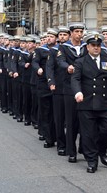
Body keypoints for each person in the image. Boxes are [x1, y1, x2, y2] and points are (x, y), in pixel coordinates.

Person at [71, 33, 107, 173]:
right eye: (93, 45)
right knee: (88, 134)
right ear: (87, 47)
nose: (96, 48)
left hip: (105, 103)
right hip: (87, 103)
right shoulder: (80, 62)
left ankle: (101, 150)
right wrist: (77, 92)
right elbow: (75, 79)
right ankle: (92, 161)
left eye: (98, 45)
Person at [57, 22, 88, 163]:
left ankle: (84, 148)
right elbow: (60, 61)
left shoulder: (86, 47)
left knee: (85, 120)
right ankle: (71, 151)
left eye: (81, 32)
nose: (79, 34)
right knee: (71, 122)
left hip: (84, 87)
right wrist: (67, 67)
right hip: (69, 88)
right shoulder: (64, 47)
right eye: (76, 31)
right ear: (71, 34)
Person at [46, 26, 70, 156]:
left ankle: (72, 145)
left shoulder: (74, 50)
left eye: (65, 35)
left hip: (73, 88)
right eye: (60, 35)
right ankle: (61, 144)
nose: (62, 37)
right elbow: (49, 68)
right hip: (59, 88)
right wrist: (51, 82)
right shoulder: (54, 51)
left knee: (73, 119)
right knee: (59, 118)